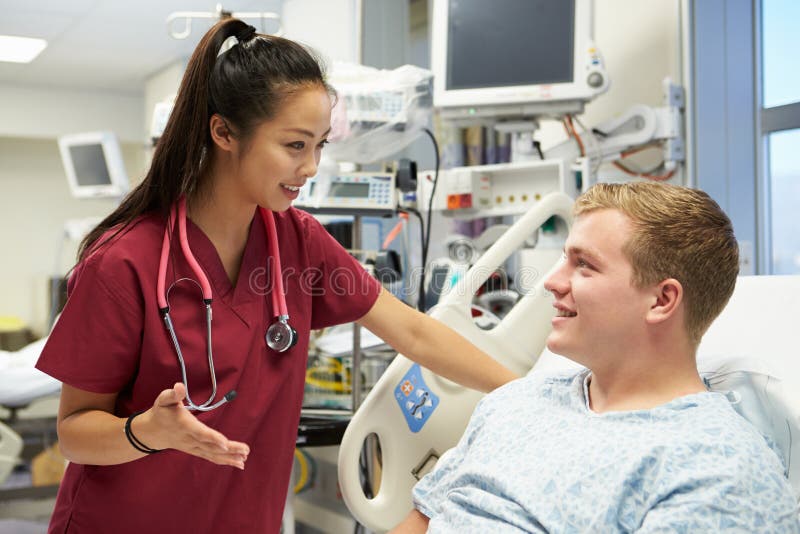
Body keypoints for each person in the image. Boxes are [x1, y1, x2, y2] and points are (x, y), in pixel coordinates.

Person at [36, 18, 517, 534]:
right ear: (223, 132)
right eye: (294, 145)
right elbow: (73, 432)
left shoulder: (298, 242)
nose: (310, 167)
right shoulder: (123, 262)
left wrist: (526, 395)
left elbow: (414, 332)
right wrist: (149, 431)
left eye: (320, 146)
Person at [393, 182, 800, 533]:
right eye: (564, 259)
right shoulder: (512, 405)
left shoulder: (718, 470)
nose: (551, 282)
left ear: (661, 300)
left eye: (584, 265)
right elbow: (423, 519)